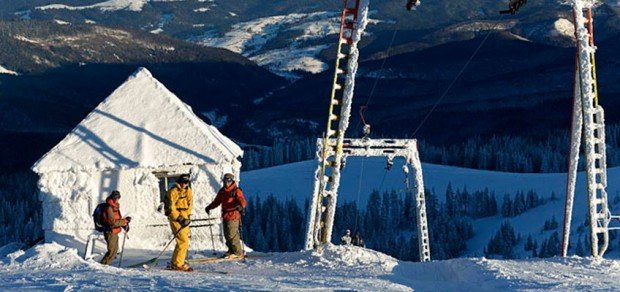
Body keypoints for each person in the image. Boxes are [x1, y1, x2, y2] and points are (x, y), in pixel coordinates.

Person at [205, 173, 247, 259]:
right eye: (225, 181)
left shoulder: (236, 190)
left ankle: (238, 252)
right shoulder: (222, 191)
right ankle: (231, 250)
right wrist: (210, 207)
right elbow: (217, 201)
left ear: (231, 181)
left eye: (228, 181)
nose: (226, 183)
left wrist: (240, 206)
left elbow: (242, 201)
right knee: (227, 234)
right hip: (225, 215)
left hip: (233, 215)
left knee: (232, 234)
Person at [166, 174, 193, 271]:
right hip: (176, 218)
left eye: (186, 183)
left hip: (185, 217)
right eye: (182, 182)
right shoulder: (173, 191)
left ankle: (176, 262)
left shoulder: (188, 191)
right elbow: (171, 208)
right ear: (179, 182)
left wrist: (188, 216)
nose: (184, 185)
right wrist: (179, 218)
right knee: (183, 241)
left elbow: (190, 203)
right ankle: (178, 264)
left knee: (184, 241)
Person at [101, 191, 131, 265]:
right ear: (112, 197)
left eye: (118, 197)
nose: (117, 199)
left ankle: (105, 265)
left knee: (114, 251)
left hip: (114, 231)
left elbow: (117, 219)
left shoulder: (115, 207)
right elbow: (112, 222)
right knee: (111, 252)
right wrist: (124, 221)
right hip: (110, 231)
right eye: (115, 197)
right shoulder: (109, 208)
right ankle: (103, 266)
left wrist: (124, 224)